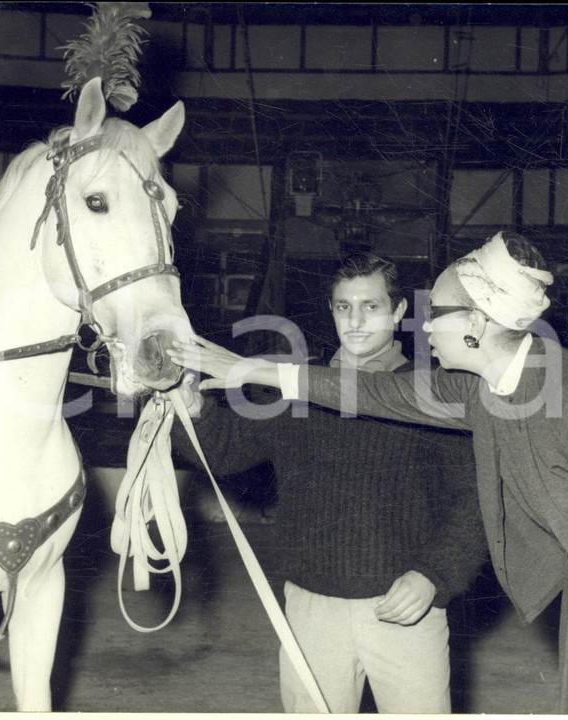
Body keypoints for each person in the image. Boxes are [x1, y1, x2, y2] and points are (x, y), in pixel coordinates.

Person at [168, 232, 568, 715]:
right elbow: (369, 392)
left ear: (476, 321)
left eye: (434, 316)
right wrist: (246, 368)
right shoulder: (481, 392)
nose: (422, 330)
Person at [173, 253, 486, 713]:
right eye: (344, 307)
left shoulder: (431, 393)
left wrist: (434, 576)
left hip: (405, 611)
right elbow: (226, 449)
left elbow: (475, 502)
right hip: (311, 609)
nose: (355, 322)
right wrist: (193, 410)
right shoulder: (301, 390)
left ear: (399, 312)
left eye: (371, 307)